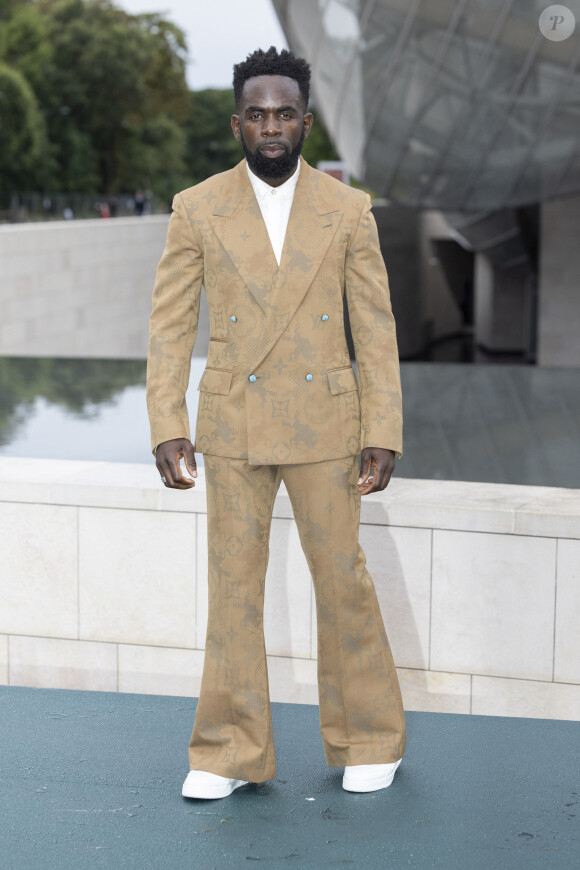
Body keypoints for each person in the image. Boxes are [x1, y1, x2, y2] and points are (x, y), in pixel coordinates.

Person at [146, 47, 406, 801]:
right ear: (236, 123)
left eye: (283, 113)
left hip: (327, 420)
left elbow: (377, 328)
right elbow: (168, 328)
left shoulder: (348, 210)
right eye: (256, 114)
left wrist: (382, 426)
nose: (270, 126)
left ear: (305, 121)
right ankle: (227, 750)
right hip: (234, 421)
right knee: (233, 589)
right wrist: (167, 420)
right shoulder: (196, 207)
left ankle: (370, 737)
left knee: (342, 582)